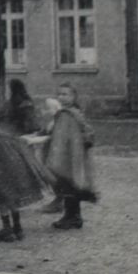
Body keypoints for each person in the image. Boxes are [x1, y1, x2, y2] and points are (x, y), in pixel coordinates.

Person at [0, 115, 56, 242]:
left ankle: (7, 229)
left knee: (1, 200)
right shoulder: (6, 137)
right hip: (14, 172)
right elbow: (22, 145)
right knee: (13, 198)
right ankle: (18, 227)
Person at [42, 86, 98, 230]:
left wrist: (56, 155)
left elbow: (64, 137)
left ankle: (73, 217)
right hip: (71, 153)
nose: (61, 97)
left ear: (73, 97)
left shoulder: (69, 115)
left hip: (69, 154)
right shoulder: (69, 114)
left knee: (69, 183)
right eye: (59, 94)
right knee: (69, 184)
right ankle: (72, 216)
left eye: (65, 94)